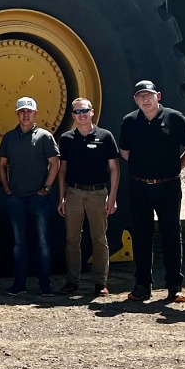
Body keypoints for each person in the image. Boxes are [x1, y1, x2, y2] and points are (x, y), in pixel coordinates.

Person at [117, 80, 185, 304]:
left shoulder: (175, 118)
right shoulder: (129, 121)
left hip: (168, 186)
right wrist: (144, 167)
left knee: (171, 235)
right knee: (142, 236)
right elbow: (124, 151)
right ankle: (142, 286)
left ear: (158, 95)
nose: (145, 99)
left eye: (149, 95)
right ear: (135, 100)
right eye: (141, 96)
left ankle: (174, 287)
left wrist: (174, 168)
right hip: (139, 186)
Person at [56, 97, 120, 298]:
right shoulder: (66, 139)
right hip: (73, 193)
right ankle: (72, 281)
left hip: (98, 193)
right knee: (71, 239)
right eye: (77, 112)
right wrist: (61, 198)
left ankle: (100, 283)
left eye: (85, 111)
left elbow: (114, 169)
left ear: (92, 112)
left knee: (99, 239)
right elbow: (62, 171)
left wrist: (112, 197)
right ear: (72, 115)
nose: (81, 115)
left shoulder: (105, 136)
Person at [0, 97, 60, 296]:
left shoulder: (45, 136)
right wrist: (7, 189)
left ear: (36, 114)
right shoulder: (8, 137)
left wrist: (47, 188)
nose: (25, 114)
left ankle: (45, 284)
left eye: (29, 111)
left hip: (38, 199)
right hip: (15, 198)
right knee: (19, 244)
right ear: (17, 114)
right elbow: (1, 164)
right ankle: (19, 284)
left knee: (42, 242)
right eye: (22, 111)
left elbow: (55, 163)